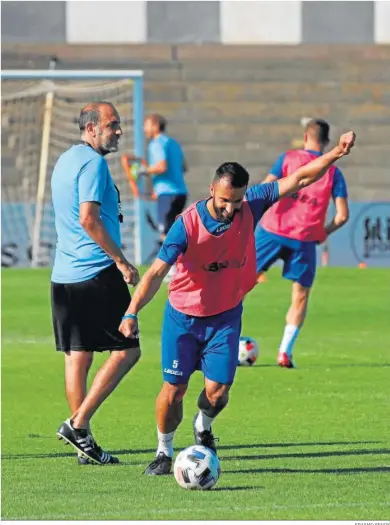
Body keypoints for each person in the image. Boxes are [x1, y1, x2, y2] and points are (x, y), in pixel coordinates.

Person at [119, 131, 356, 475]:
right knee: (175, 388)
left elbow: (301, 177)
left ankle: (203, 426)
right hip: (183, 317)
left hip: (226, 316)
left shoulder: (252, 204)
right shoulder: (186, 225)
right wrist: (131, 312)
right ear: (212, 189)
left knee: (218, 392)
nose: (231, 209)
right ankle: (163, 451)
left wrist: (335, 153)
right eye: (225, 201)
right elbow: (156, 273)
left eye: (237, 202)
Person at [51, 101, 141, 465]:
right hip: (96, 272)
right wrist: (121, 261)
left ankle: (83, 444)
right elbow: (89, 219)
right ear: (91, 129)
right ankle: (78, 423)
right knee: (128, 350)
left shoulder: (66, 160)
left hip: (63, 276)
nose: (118, 130)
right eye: (112, 124)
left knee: (78, 356)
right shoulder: (92, 163)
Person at [256, 119, 350, 369]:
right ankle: (284, 352)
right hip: (305, 238)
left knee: (238, 284)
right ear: (327, 142)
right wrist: (324, 232)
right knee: (300, 296)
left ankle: (222, 344)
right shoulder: (333, 171)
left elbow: (266, 187)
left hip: (272, 230)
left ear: (306, 137)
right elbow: (342, 215)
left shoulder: (288, 158)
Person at [126, 114, 188, 281]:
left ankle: (172, 268)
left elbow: (161, 167)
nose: (144, 129)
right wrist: (158, 189)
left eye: (146, 125)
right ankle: (180, 266)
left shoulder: (156, 144)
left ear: (154, 126)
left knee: (165, 232)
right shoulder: (173, 143)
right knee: (173, 229)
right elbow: (183, 167)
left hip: (168, 193)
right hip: (180, 192)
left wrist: (140, 171)